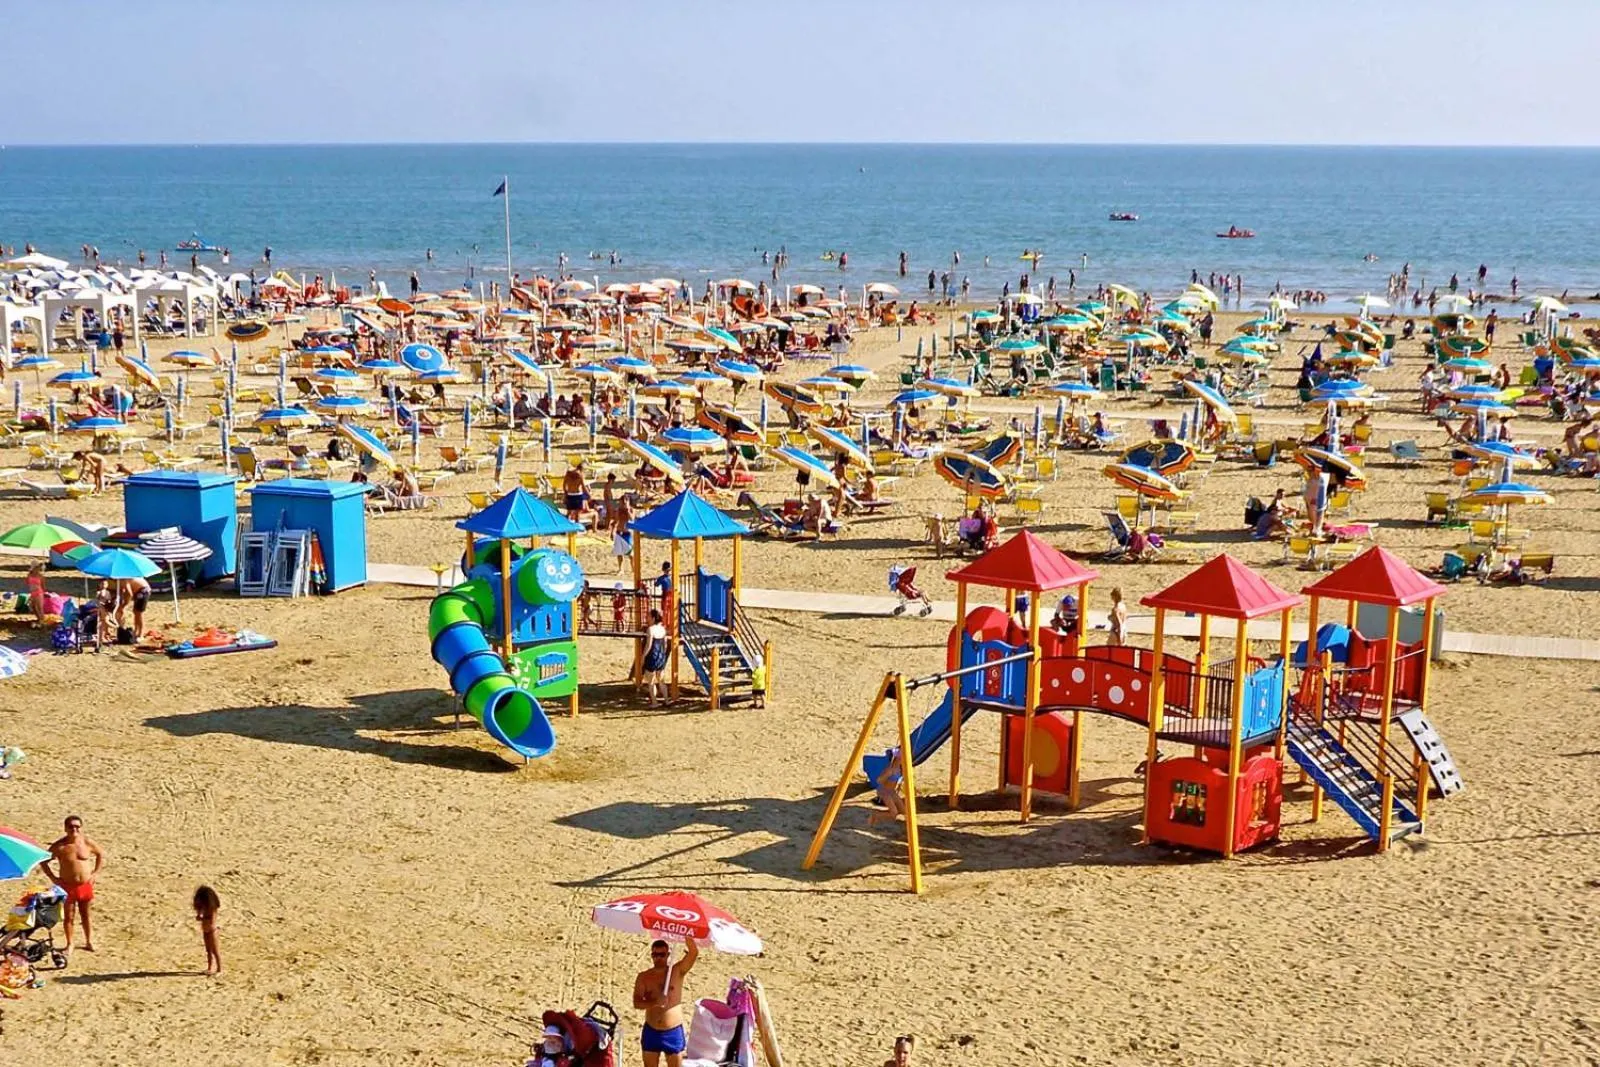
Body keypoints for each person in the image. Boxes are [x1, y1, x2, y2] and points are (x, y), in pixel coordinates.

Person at [40, 814, 104, 954]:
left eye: (77, 826)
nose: (74, 829)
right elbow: (43, 861)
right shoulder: (60, 846)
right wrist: (53, 878)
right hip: (68, 885)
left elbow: (100, 855)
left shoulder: (87, 843)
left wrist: (95, 873)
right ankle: (70, 944)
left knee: (86, 914)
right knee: (69, 916)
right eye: (71, 826)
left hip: (85, 885)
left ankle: (89, 940)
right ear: (65, 828)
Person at [633, 938, 698, 1067]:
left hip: (672, 1031)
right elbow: (637, 1003)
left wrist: (686, 934)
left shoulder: (676, 971)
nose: (658, 958)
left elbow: (693, 953)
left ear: (668, 955)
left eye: (662, 955)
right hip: (652, 1029)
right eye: (655, 955)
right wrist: (654, 1003)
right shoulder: (644, 977)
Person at [642, 608, 671, 706]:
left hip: (652, 657)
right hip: (661, 656)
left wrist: (643, 656)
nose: (647, 618)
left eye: (649, 616)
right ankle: (667, 700)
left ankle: (654, 702)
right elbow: (665, 644)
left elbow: (648, 645)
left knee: (651, 682)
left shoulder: (650, 629)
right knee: (661, 680)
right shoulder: (663, 629)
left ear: (653, 618)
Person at [193, 885, 222, 975]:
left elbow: (212, 922)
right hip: (206, 930)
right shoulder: (204, 909)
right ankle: (210, 967)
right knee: (208, 950)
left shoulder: (212, 910)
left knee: (215, 951)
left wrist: (203, 918)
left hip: (212, 931)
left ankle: (219, 969)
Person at [116, 573, 152, 638]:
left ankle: (141, 634)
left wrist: (124, 605)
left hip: (143, 590)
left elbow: (129, 594)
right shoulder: (121, 579)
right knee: (135, 612)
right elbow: (124, 592)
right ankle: (136, 631)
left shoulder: (124, 578)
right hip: (138, 591)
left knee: (139, 613)